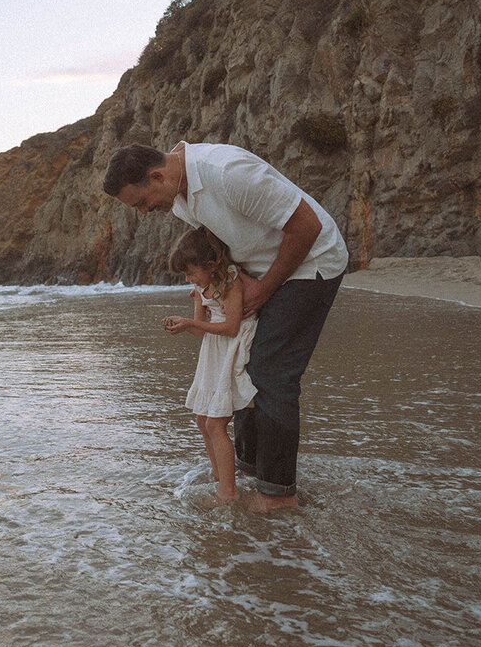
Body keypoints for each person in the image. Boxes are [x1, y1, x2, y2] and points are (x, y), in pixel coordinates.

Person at [103, 141, 347, 511]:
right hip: (263, 269)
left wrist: (263, 289)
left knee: (271, 372)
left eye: (140, 202)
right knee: (242, 366)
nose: (143, 212)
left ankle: (278, 495)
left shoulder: (227, 173)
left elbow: (307, 226)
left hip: (312, 263)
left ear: (156, 176)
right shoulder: (179, 192)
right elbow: (218, 238)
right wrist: (226, 282)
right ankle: (251, 469)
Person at [163, 226, 258, 505]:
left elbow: (230, 327)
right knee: (202, 420)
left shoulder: (230, 280)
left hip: (234, 343)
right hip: (214, 348)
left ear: (211, 264)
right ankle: (220, 475)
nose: (189, 278)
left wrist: (193, 322)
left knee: (216, 423)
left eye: (191, 272)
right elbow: (202, 332)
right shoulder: (199, 286)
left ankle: (227, 494)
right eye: (186, 274)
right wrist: (184, 325)